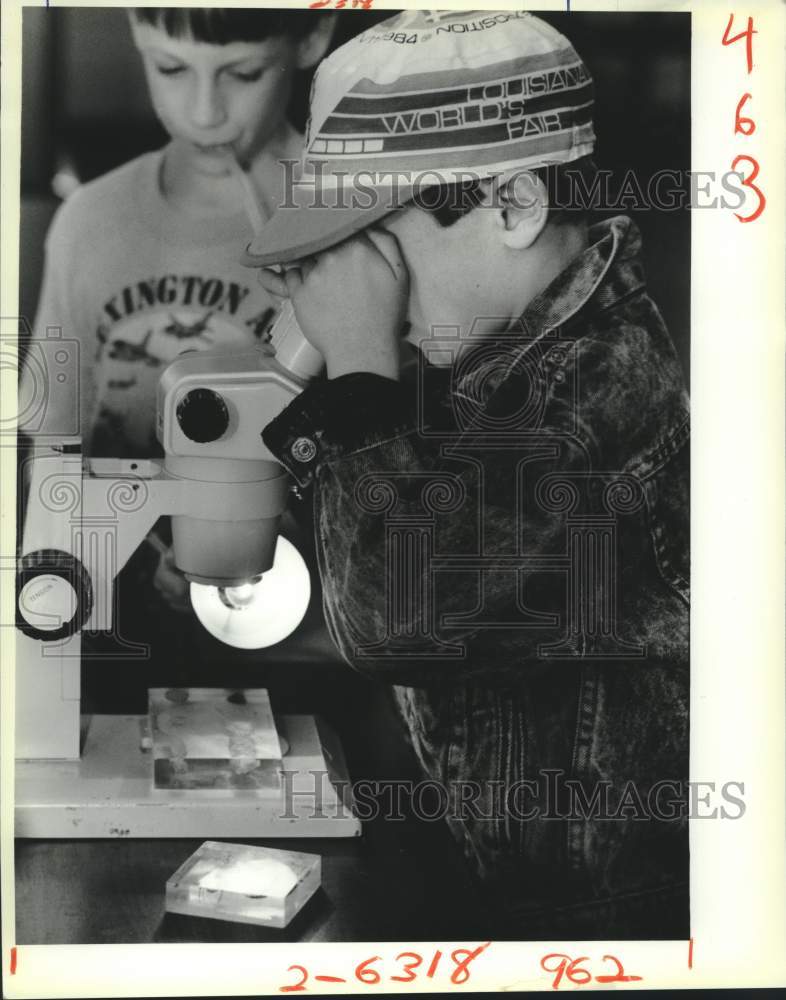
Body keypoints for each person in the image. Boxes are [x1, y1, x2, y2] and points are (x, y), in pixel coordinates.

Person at [250, 10, 690, 938]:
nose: (373, 279)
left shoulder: (603, 389)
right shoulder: (494, 363)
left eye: (385, 241)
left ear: (515, 204)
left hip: (610, 931)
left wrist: (363, 372)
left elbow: (395, 619)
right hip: (516, 897)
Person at [18, 8, 336, 696]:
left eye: (244, 73)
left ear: (312, 35)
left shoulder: (352, 222)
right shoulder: (89, 224)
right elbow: (49, 458)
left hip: (302, 658)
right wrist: (141, 550)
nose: (204, 112)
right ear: (134, 35)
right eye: (170, 68)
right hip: (114, 651)